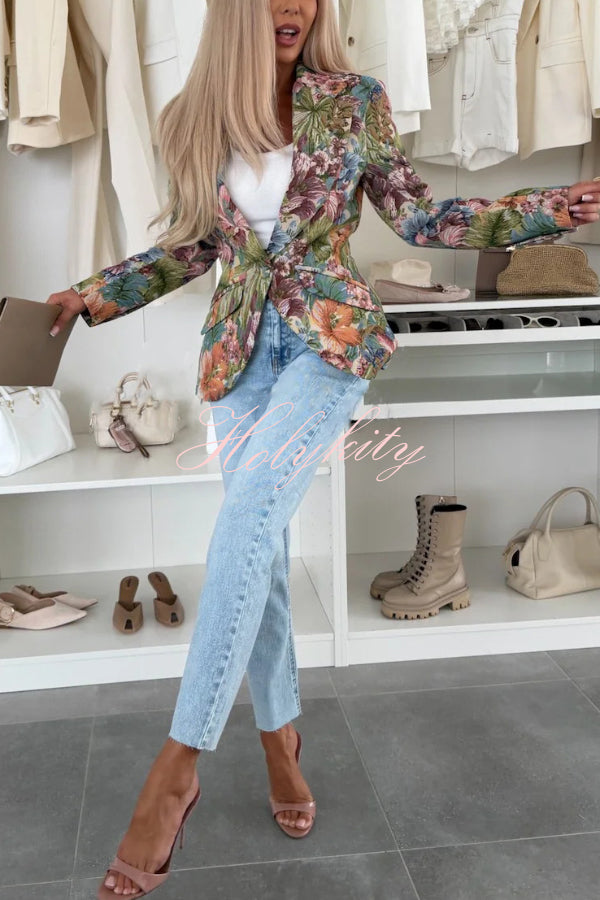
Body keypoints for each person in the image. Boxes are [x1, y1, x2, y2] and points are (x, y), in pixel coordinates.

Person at [46, 1, 600, 896]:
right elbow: (193, 247)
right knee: (259, 549)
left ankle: (176, 769)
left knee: (245, 521)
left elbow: (421, 219)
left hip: (329, 342)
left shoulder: (355, 100)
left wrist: (551, 208)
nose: (293, 7)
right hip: (239, 351)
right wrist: (91, 295)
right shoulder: (191, 114)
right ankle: (280, 739)